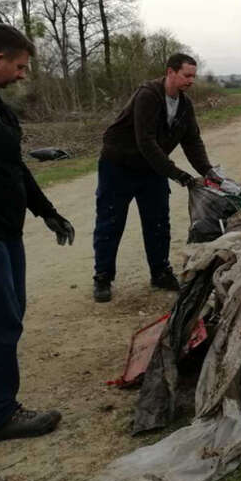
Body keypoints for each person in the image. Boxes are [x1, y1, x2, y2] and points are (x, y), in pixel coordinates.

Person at [0, 24, 74, 440]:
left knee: (12, 313)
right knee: (2, 321)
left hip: (8, 230)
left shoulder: (0, 108)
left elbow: (14, 168)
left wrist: (47, 211)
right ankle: (1, 413)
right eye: (21, 67)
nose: (23, 75)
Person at [92, 53, 216, 303]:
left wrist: (208, 172)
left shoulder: (184, 105)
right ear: (170, 72)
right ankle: (103, 277)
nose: (191, 80)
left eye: (194, 75)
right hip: (119, 166)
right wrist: (178, 175)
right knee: (111, 221)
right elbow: (145, 141)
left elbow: (192, 140)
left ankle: (159, 273)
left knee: (158, 221)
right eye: (186, 75)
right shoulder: (148, 95)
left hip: (152, 169)